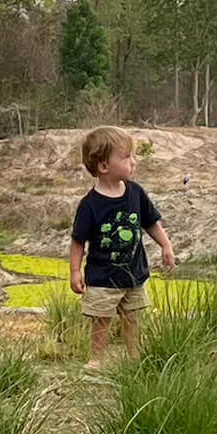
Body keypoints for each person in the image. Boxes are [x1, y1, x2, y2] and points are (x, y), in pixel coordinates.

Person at [70, 126, 175, 369]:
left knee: (133, 316)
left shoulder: (136, 193)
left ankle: (133, 356)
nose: (133, 162)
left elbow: (151, 223)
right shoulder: (89, 205)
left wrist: (166, 245)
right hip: (102, 278)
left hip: (134, 274)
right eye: (126, 157)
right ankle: (96, 359)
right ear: (104, 166)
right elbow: (78, 241)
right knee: (101, 319)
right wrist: (75, 272)